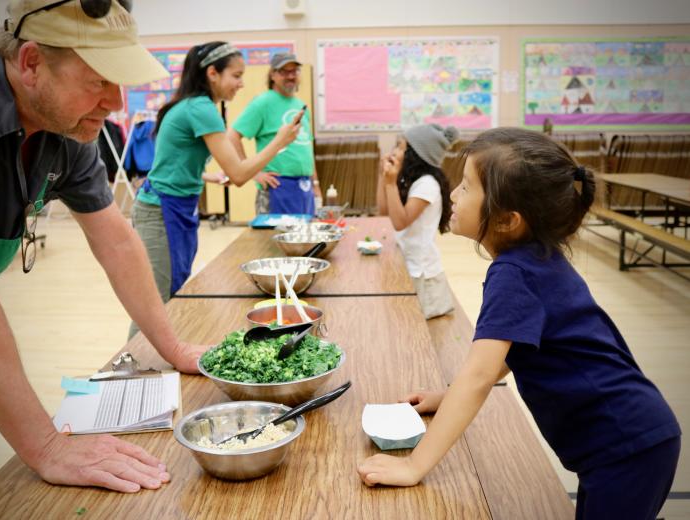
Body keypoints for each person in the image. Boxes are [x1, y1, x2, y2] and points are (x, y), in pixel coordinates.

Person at [0, 0, 209, 498]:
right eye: (99, 80)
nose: (118, 103)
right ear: (32, 61)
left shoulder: (63, 126)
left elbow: (117, 241)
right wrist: (48, 445)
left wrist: (172, 347)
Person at [358, 128, 681, 520]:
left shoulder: (514, 274)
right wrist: (446, 396)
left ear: (508, 220)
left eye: (466, 186)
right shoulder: (537, 259)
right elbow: (518, 346)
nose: (454, 195)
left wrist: (414, 466)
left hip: (624, 447)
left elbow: (480, 375)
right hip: (633, 438)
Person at [129, 41, 301, 337]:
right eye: (235, 76)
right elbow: (238, 175)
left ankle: (159, 363)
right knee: (157, 301)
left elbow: (171, 164)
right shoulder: (201, 108)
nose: (241, 83)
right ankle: (134, 370)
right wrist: (279, 141)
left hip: (174, 206)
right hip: (160, 211)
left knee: (172, 291)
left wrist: (206, 178)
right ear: (212, 73)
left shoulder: (193, 105)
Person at [377, 124, 458, 319]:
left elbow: (399, 222)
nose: (394, 151)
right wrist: (383, 176)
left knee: (415, 327)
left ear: (415, 154)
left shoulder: (427, 185)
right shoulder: (412, 180)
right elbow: (383, 210)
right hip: (407, 261)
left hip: (422, 272)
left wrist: (390, 182)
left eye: (399, 147)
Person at [227, 52, 322, 216]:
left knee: (305, 239)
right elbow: (232, 135)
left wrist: (316, 184)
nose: (291, 76)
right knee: (273, 240)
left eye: (294, 71)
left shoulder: (301, 106)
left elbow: (307, 147)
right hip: (277, 186)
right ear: (272, 75)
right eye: (284, 72)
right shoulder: (263, 103)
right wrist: (253, 172)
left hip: (304, 187)